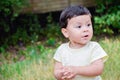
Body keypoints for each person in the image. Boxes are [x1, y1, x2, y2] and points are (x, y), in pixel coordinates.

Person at [53, 5, 108, 80]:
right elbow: (56, 71)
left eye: (88, 25)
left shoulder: (94, 47)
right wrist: (61, 74)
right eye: (79, 26)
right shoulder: (62, 50)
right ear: (66, 32)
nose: (85, 29)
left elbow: (98, 69)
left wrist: (77, 70)